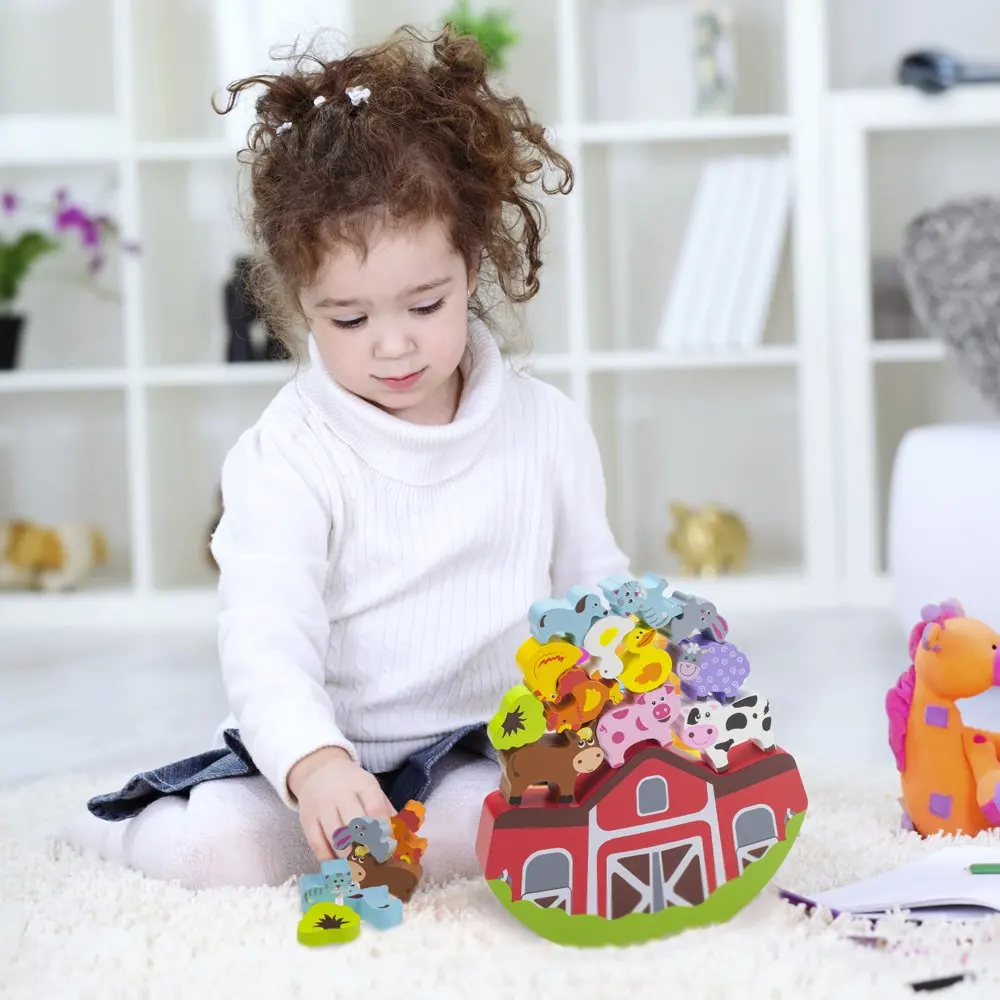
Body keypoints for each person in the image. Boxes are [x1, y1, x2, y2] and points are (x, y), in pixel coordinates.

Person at [57, 25, 629, 890]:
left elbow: (594, 590)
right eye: (350, 319)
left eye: (424, 304)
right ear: (302, 304)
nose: (393, 346)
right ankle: (110, 829)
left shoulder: (545, 427)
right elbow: (265, 640)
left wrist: (628, 700)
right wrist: (315, 763)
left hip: (477, 747)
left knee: (502, 833)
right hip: (321, 754)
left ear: (470, 267)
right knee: (226, 853)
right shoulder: (288, 454)